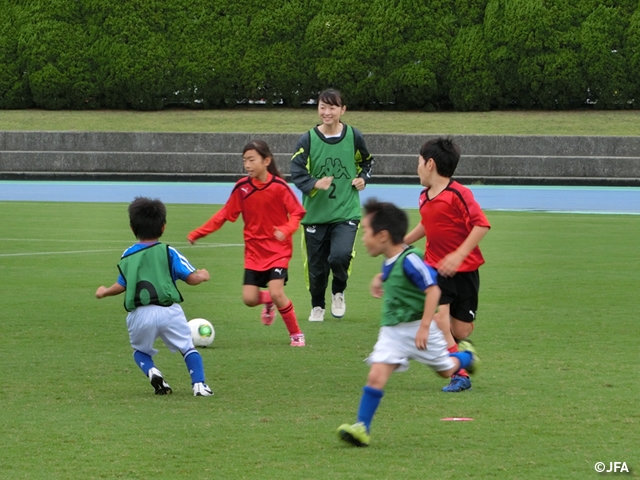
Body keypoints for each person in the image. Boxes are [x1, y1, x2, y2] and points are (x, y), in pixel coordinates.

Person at [337, 199, 479, 447]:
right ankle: (362, 428)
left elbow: (433, 291)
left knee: (446, 370)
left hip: (420, 329)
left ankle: (467, 357)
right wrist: (380, 278)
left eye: (366, 233)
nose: (363, 238)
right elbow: (393, 274)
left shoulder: (411, 259)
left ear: (382, 236)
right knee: (376, 375)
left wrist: (425, 326)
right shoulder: (390, 259)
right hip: (392, 332)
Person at [187, 140, 307, 347]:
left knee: (278, 292)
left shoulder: (279, 187)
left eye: (252, 160)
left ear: (266, 161)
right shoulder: (242, 188)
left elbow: (297, 213)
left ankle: (296, 334)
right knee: (249, 299)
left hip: (278, 250)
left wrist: (286, 230)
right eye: (245, 161)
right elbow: (225, 214)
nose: (247, 165)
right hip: (254, 253)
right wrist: (200, 232)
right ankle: (268, 300)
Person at [95, 197, 213, 397]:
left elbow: (121, 285)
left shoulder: (127, 255)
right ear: (163, 227)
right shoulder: (168, 251)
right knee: (187, 347)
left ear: (133, 228)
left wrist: (105, 291)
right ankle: (199, 385)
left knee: (140, 351)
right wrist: (202, 275)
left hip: (139, 314)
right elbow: (190, 278)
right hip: (169, 311)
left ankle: (153, 371)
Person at [404, 137, 490, 393]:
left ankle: (463, 348)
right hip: (435, 269)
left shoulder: (459, 194)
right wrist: (403, 241)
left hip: (466, 271)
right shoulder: (423, 196)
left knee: (460, 329)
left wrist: (459, 255)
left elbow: (481, 224)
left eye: (418, 161)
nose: (416, 167)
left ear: (430, 164)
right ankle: (460, 375)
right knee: (440, 320)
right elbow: (426, 224)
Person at [291, 89, 374, 322]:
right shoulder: (307, 139)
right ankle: (317, 306)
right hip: (315, 215)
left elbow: (367, 162)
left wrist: (363, 178)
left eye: (332, 107)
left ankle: (339, 291)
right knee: (316, 271)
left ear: (342, 110)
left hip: (346, 212)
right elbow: (297, 172)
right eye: (322, 107)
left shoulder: (353, 136)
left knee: (340, 256)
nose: (326, 112)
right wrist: (315, 183)